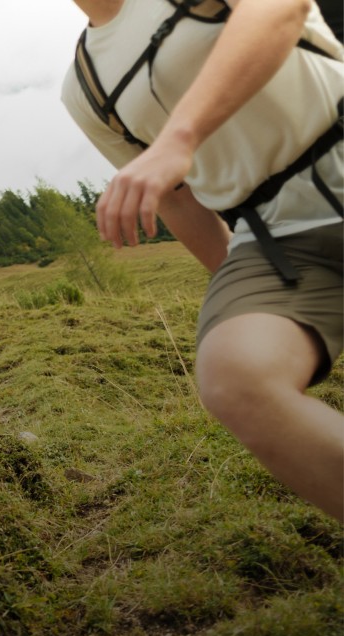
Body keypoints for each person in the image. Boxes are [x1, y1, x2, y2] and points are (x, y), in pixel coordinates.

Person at [61, 0, 343, 520]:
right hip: (275, 237)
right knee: (236, 377)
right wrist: (252, 300)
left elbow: (281, 10)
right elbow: (174, 197)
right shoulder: (85, 85)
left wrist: (179, 138)